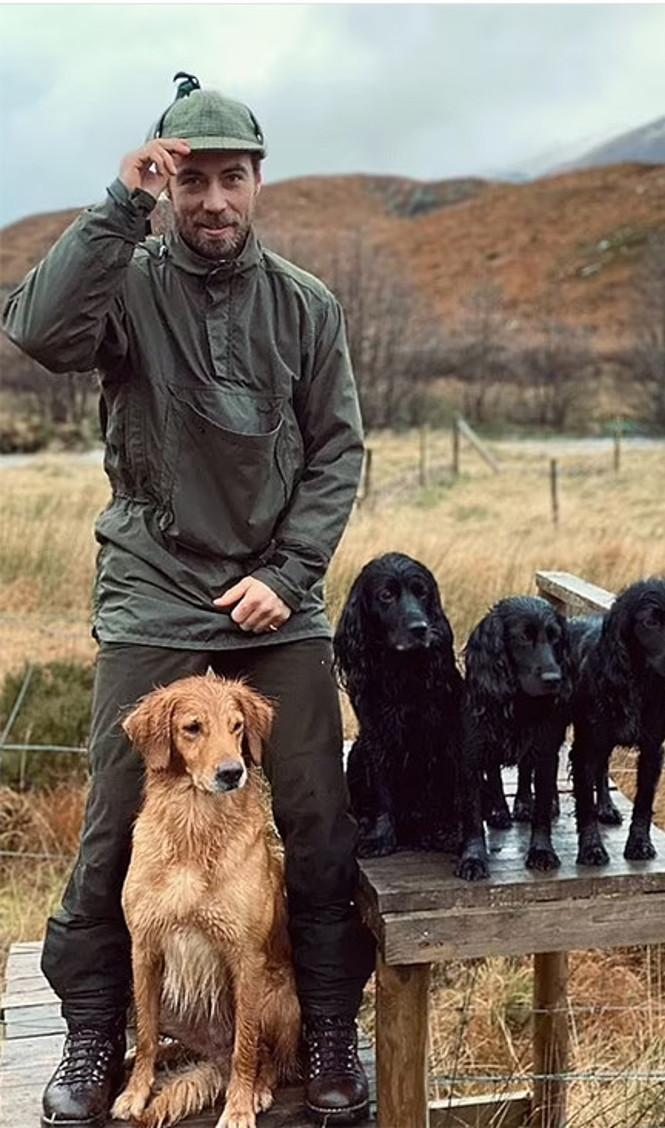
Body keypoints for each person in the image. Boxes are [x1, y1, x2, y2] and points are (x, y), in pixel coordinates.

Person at [2, 72, 375, 1128]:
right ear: (166, 181)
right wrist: (118, 205)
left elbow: (338, 453)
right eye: (189, 179)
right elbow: (33, 331)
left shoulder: (305, 304)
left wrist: (290, 573)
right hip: (156, 586)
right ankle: (91, 1031)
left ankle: (331, 1029)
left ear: (258, 181)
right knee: (117, 816)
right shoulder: (126, 285)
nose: (212, 200)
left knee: (311, 809)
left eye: (231, 178)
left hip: (276, 595)